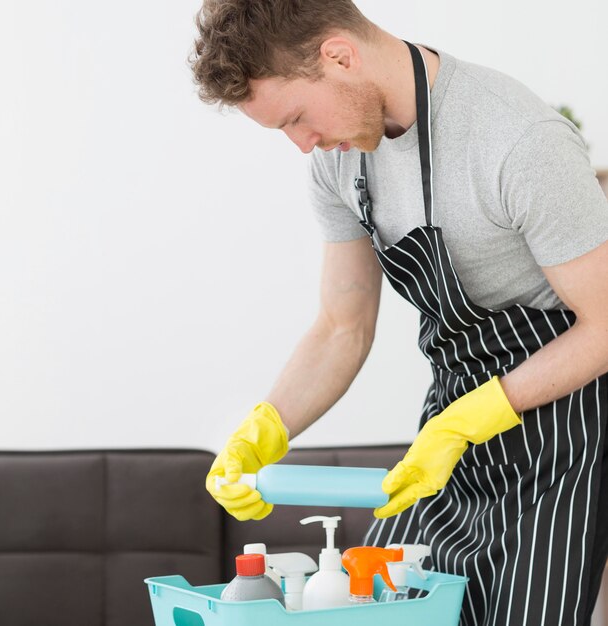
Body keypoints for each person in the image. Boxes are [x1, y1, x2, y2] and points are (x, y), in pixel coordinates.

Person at [189, 1, 608, 624]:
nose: (301, 146)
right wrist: (266, 427)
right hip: (452, 424)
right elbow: (342, 327)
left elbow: (604, 323)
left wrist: (479, 415)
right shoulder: (337, 160)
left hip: (566, 431)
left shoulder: (516, 140)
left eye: (296, 119)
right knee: (388, 606)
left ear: (339, 55)